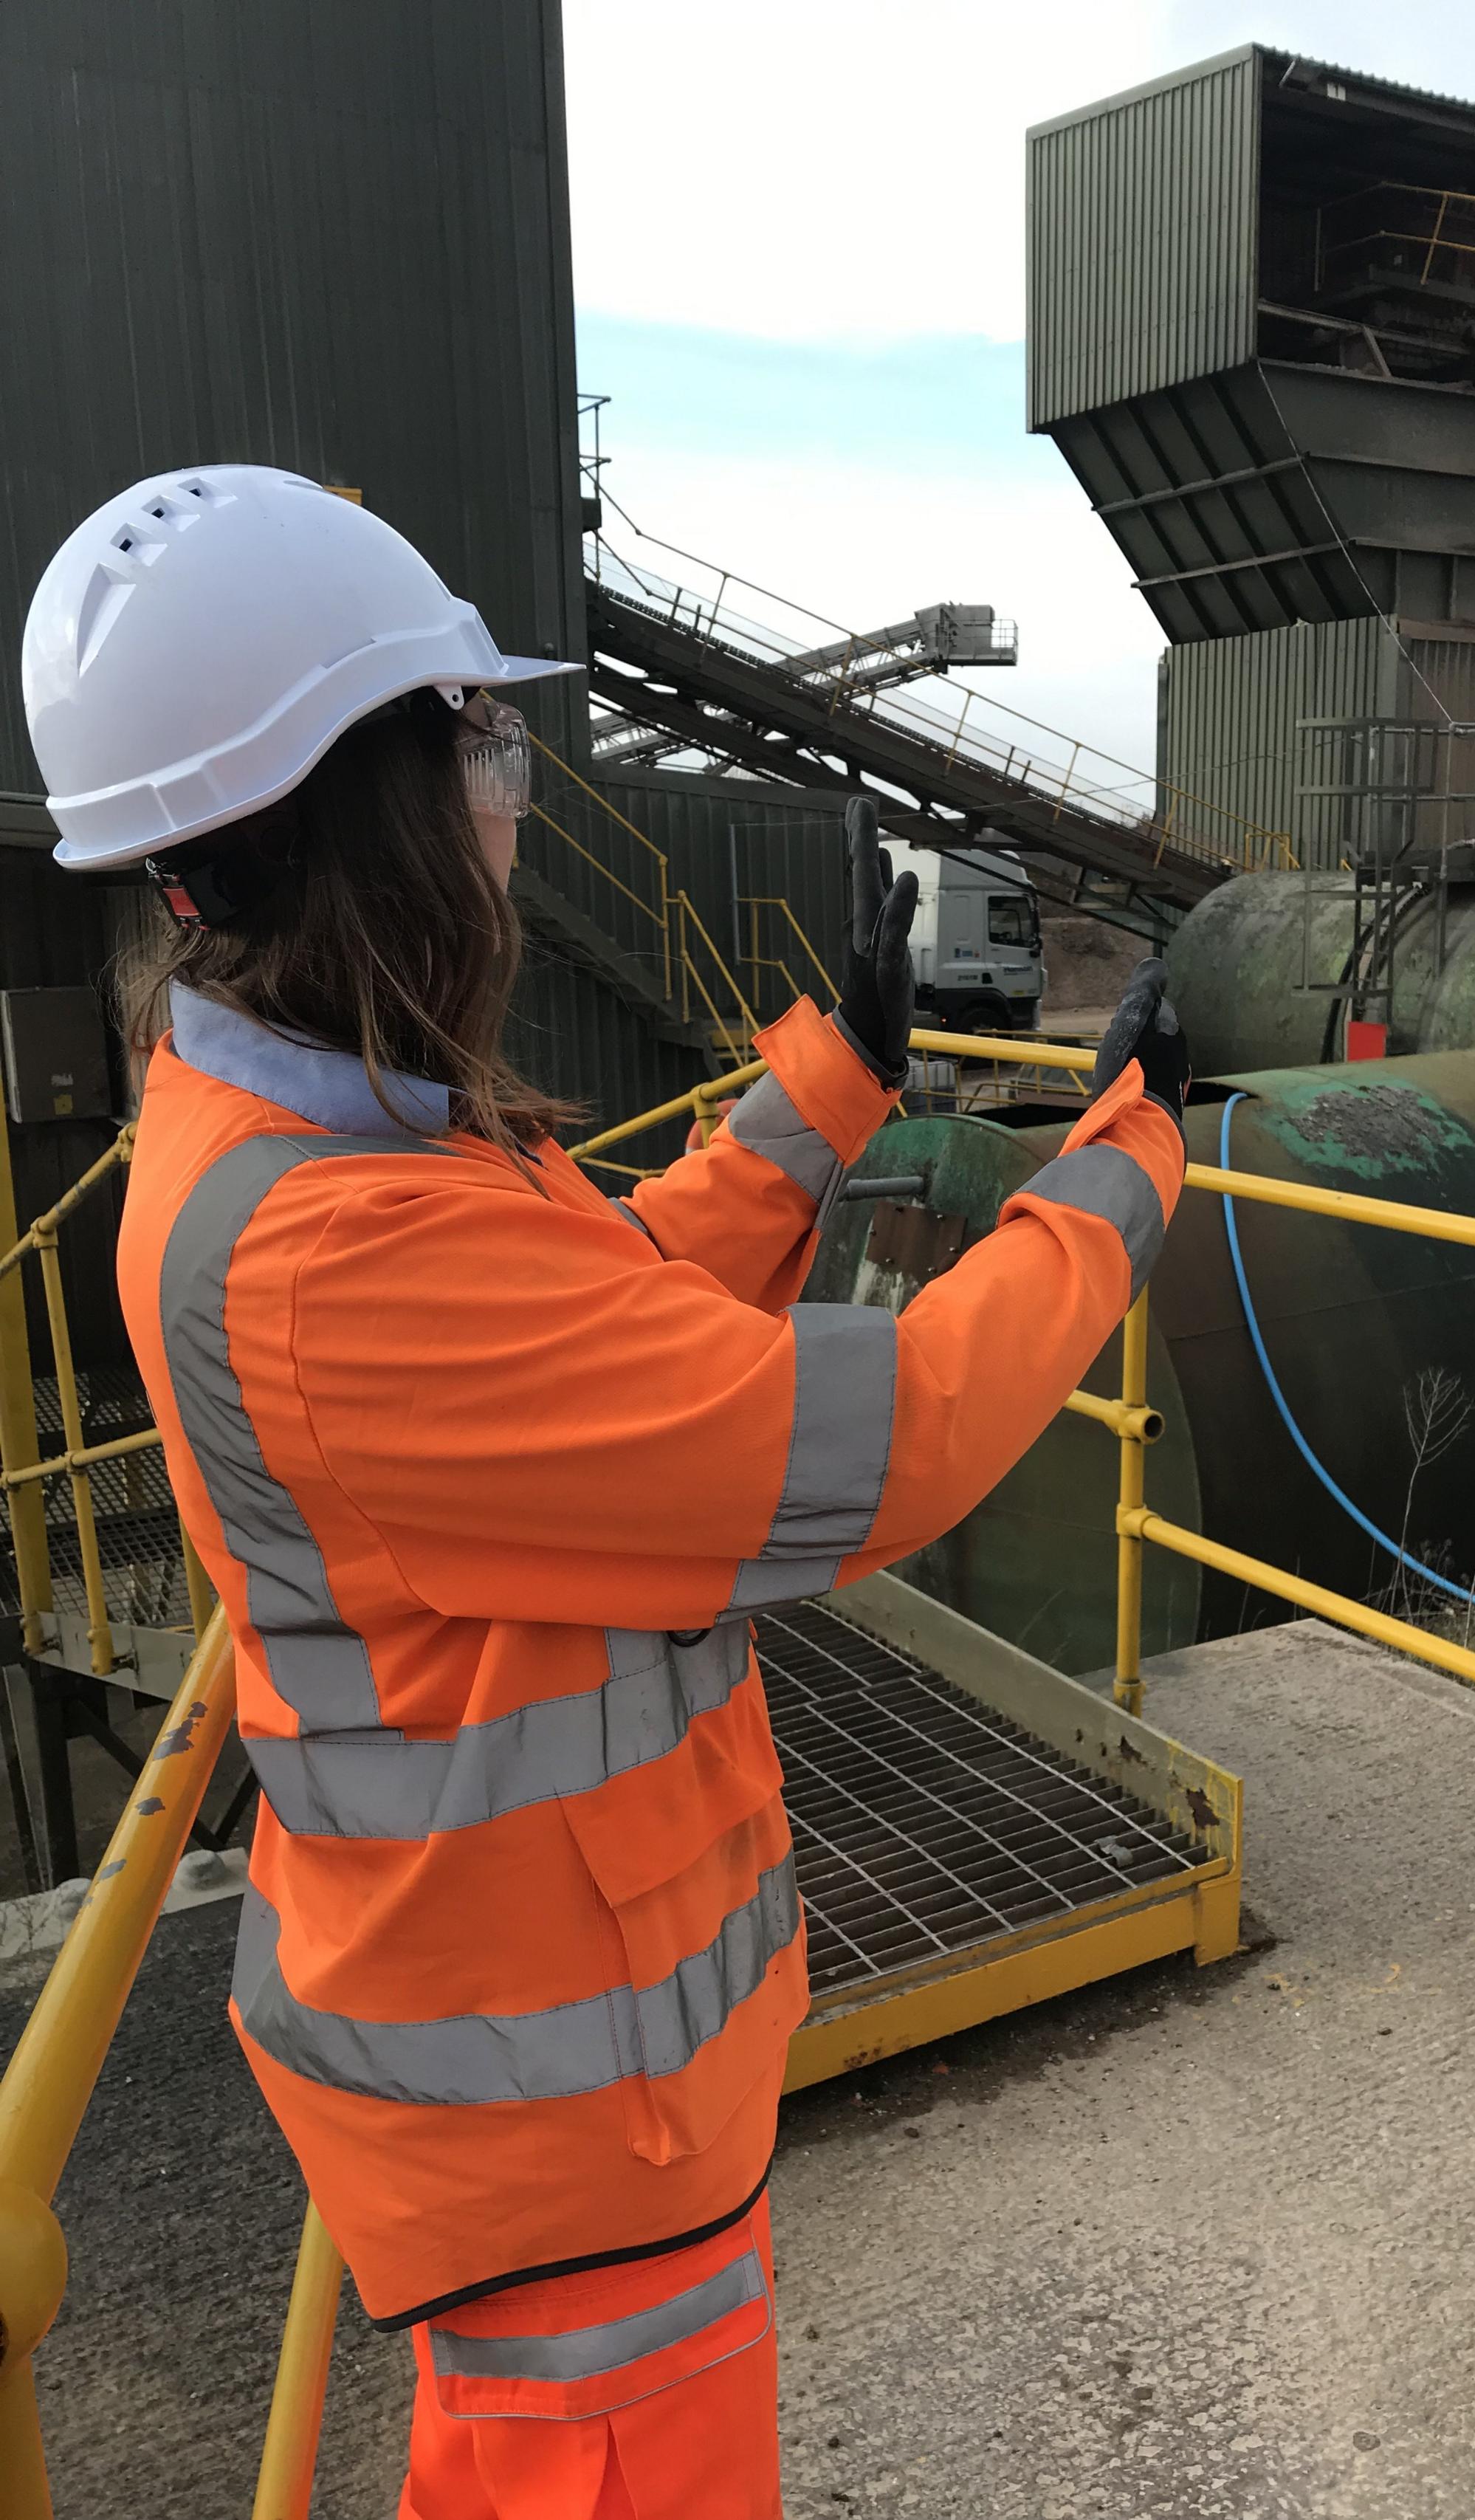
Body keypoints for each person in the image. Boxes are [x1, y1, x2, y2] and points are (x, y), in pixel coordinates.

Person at [21, 464, 1189, 2519]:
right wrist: (1124, 1172)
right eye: (480, 737)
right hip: (567, 2131)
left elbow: (602, 1321)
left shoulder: (295, 1126)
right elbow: (887, 1441)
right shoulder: (336, 1252)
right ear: (366, 803)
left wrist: (825, 1086)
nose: (511, 782)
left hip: (517, 2098)